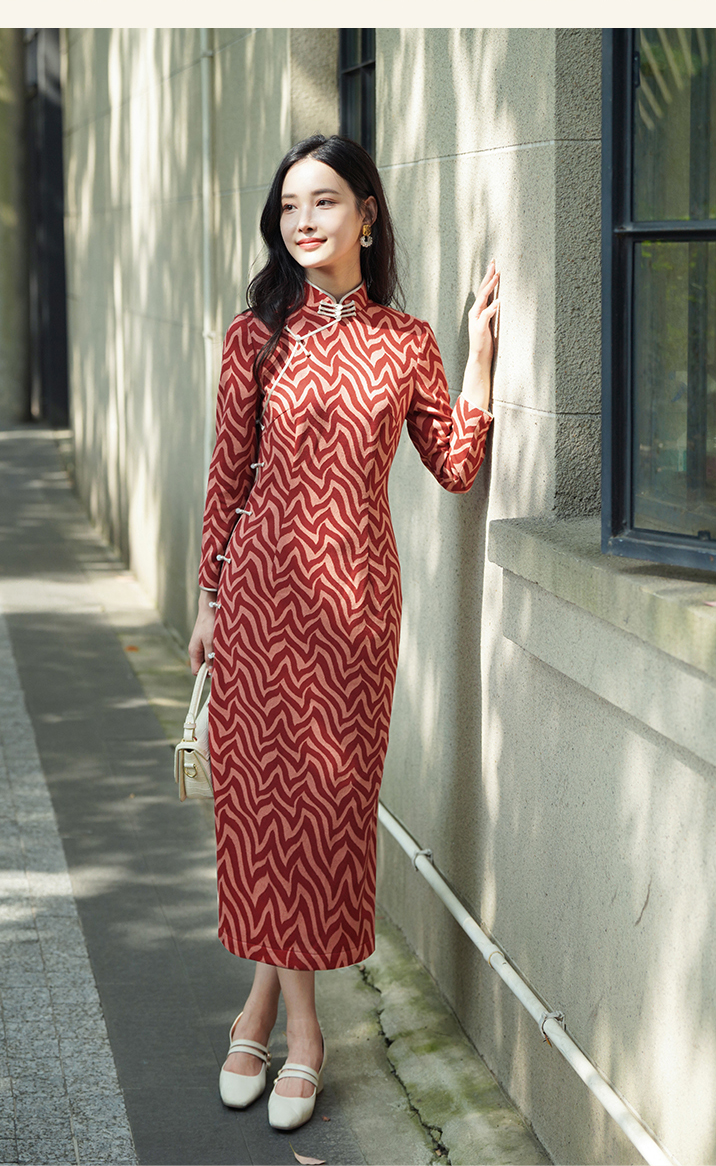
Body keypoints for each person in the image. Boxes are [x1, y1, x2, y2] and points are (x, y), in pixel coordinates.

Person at [188, 134, 498, 1132]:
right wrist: (207, 599)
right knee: (261, 808)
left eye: (324, 201)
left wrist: (480, 360)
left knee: (322, 811)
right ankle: (300, 1029)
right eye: (289, 207)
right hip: (258, 600)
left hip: (355, 611)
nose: (304, 221)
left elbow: (455, 464)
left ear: (367, 213)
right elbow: (225, 475)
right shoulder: (255, 336)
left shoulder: (406, 342)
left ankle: (260, 1013)